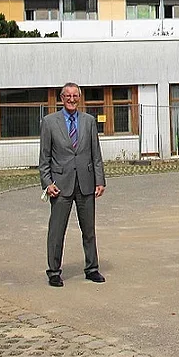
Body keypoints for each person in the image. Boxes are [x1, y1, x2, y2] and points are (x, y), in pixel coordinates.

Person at [39, 82, 106, 287]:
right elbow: (44, 157)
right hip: (61, 185)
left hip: (85, 183)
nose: (71, 99)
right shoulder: (50, 122)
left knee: (89, 230)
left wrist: (100, 180)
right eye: (67, 96)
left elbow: (96, 154)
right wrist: (47, 182)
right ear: (61, 98)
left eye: (75, 95)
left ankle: (92, 268)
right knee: (57, 230)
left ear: (79, 97)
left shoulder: (89, 121)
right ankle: (53, 271)